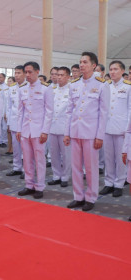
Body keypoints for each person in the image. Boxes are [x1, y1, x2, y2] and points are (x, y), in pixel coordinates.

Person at [64, 52, 110, 211]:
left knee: (91, 167)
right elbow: (69, 111)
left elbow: (104, 113)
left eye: (85, 62)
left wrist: (99, 136)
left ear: (93, 65)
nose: (81, 65)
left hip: (91, 134)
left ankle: (91, 197)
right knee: (75, 166)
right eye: (80, 62)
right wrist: (67, 132)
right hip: (75, 131)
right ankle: (78, 196)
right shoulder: (74, 84)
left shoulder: (102, 84)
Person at [16, 61, 54, 199]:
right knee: (26, 159)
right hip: (26, 130)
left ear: (37, 72)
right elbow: (20, 112)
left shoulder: (45, 88)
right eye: (25, 72)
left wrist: (45, 131)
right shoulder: (22, 89)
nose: (27, 75)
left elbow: (49, 112)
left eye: (30, 72)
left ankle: (40, 186)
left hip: (39, 131)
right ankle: (29, 184)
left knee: (39, 159)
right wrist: (19, 129)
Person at [99, 61, 131, 197]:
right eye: (111, 69)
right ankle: (109, 182)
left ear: (122, 71)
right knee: (108, 158)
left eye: (115, 69)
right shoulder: (105, 86)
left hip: (122, 129)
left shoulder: (129, 87)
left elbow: (130, 109)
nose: (112, 72)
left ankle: (119, 184)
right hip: (107, 127)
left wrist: (127, 129)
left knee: (121, 158)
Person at [48, 67, 72, 188]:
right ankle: (56, 175)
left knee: (66, 154)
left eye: (62, 75)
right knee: (54, 153)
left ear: (68, 77)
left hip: (65, 128)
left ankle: (65, 176)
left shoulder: (72, 90)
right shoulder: (51, 90)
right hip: (52, 127)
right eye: (58, 75)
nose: (59, 77)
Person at [6, 65, 27, 178]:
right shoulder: (12, 88)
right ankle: (16, 167)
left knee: (25, 148)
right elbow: (9, 107)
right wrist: (9, 123)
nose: (17, 75)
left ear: (24, 74)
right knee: (16, 147)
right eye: (16, 73)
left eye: (19, 73)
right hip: (14, 122)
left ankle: (25, 169)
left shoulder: (29, 87)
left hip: (25, 123)